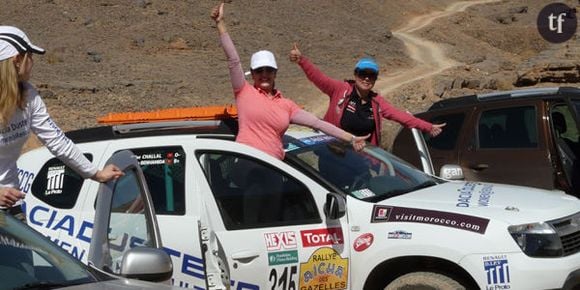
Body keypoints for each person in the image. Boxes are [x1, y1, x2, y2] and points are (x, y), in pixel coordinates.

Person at [210, 4, 368, 161]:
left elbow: (318, 124)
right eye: (259, 71)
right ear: (252, 74)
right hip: (248, 163)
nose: (264, 74)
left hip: (274, 167)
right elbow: (233, 60)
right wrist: (220, 24)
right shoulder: (243, 91)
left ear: (275, 73)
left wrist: (351, 138)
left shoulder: (287, 105)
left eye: (269, 70)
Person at [0, 26, 123, 221]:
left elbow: (57, 140)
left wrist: (95, 173)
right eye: (29, 55)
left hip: (11, 205)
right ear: (16, 60)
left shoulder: (28, 94)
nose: (32, 62)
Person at [289, 43, 446, 147]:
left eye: (371, 75)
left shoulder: (377, 102)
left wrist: (428, 127)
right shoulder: (340, 90)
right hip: (334, 152)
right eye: (362, 74)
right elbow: (319, 78)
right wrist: (301, 60)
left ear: (376, 79)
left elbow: (401, 116)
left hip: (362, 157)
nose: (366, 78)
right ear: (355, 75)